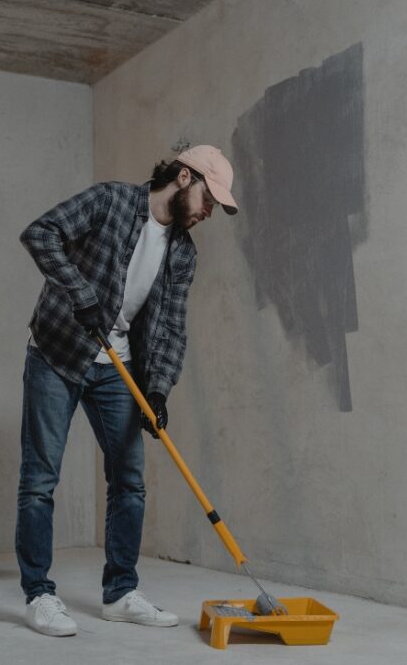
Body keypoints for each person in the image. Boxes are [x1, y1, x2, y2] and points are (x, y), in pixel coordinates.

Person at [15, 145, 239, 637]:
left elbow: (170, 329)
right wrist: (81, 295)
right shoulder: (111, 201)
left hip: (117, 367)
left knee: (130, 481)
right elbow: (40, 233)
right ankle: (40, 595)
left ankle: (119, 593)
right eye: (207, 198)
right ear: (184, 177)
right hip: (57, 353)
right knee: (40, 481)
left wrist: (157, 390)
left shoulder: (183, 252)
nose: (207, 212)